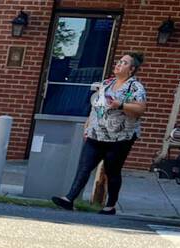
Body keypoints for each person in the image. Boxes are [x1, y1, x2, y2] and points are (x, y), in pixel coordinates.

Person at [52, 53, 148, 215]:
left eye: (124, 63)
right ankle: (69, 199)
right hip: (96, 134)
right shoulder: (107, 83)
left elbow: (140, 109)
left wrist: (120, 105)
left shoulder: (134, 87)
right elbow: (96, 106)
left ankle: (110, 206)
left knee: (112, 171)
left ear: (131, 69)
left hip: (120, 138)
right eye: (119, 61)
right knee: (84, 167)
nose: (119, 64)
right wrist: (88, 125)